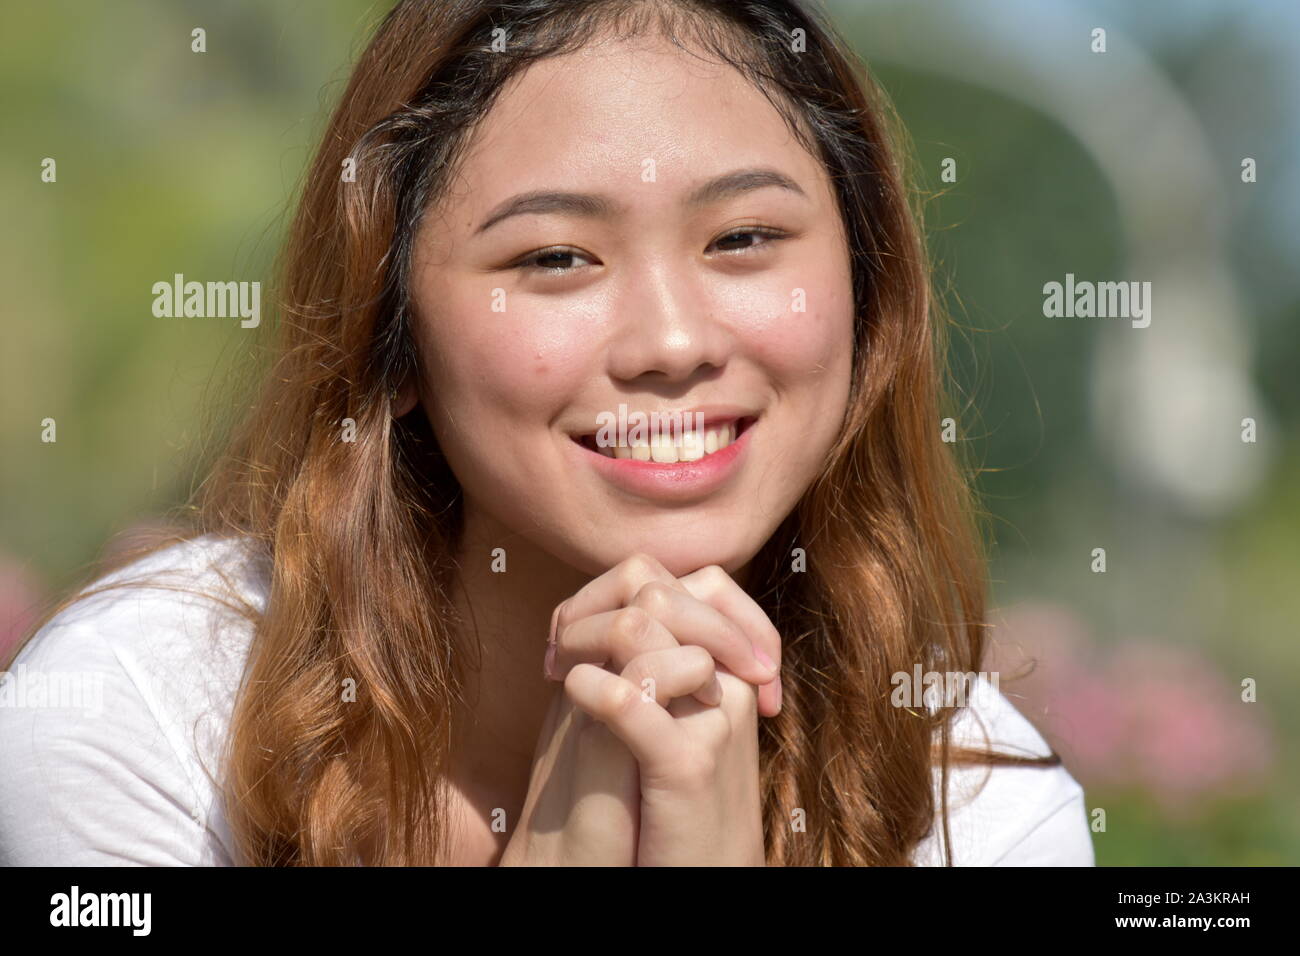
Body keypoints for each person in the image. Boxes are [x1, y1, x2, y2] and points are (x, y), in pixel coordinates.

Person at [0, 0, 1094, 866]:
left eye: (745, 237)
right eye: (555, 257)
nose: (670, 340)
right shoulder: (142, 717)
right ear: (392, 332)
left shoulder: (977, 801)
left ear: (867, 292)